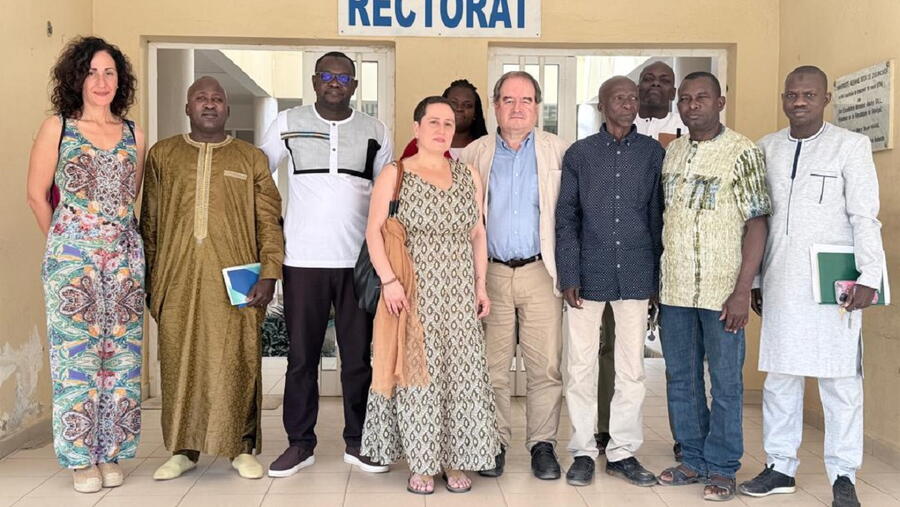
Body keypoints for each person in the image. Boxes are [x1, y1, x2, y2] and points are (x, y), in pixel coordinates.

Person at [738, 66, 885, 507]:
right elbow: (759, 221)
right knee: (781, 376)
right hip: (781, 280)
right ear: (783, 99)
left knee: (840, 380)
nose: (799, 102)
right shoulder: (767, 148)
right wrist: (758, 278)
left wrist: (870, 277)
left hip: (834, 281)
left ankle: (844, 475)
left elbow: (865, 217)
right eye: (792, 95)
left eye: (809, 95)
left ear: (825, 100)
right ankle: (780, 466)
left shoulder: (851, 147)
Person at [140, 76, 285, 481]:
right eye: (200, 98)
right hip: (176, 277)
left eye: (217, 99)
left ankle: (240, 447)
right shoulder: (163, 155)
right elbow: (148, 222)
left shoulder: (249, 157)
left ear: (227, 108)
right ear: (187, 108)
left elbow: (268, 220)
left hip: (238, 278)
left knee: (236, 359)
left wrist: (270, 273)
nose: (209, 104)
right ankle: (182, 449)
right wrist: (151, 280)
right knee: (178, 362)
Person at [259, 51, 393, 477]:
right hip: (302, 259)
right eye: (327, 75)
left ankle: (359, 441)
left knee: (357, 359)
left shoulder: (375, 130)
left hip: (358, 262)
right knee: (302, 358)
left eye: (344, 76)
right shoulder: (287, 123)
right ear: (314, 81)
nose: (335, 82)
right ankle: (301, 444)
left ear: (355, 85)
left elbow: (386, 196)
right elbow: (257, 176)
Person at [361, 96, 499, 495]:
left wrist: (480, 285)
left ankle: (456, 459)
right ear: (417, 127)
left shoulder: (467, 175)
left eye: (449, 124)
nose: (442, 130)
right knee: (419, 375)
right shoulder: (396, 173)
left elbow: (477, 234)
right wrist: (388, 281)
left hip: (458, 294)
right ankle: (422, 463)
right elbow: (374, 232)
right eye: (434, 122)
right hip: (413, 293)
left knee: (461, 376)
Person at [26, 36, 145, 493]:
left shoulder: (135, 135)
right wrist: (66, 246)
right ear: (76, 77)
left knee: (121, 358)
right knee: (77, 358)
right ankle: (81, 458)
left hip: (124, 261)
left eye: (110, 72)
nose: (101, 81)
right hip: (72, 258)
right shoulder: (58, 126)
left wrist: (115, 247)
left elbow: (128, 199)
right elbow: (37, 196)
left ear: (121, 81)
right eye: (93, 72)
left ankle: (112, 452)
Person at [655, 72, 771, 502]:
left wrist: (744, 289)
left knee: (725, 382)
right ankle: (694, 458)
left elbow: (757, 223)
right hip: (675, 288)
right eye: (685, 99)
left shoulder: (743, 152)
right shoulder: (672, 152)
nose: (692, 105)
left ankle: (722, 466)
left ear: (721, 101)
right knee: (680, 378)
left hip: (724, 291)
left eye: (702, 97)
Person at [459, 71, 570, 480]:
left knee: (546, 367)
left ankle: (542, 445)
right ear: (495, 105)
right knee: (492, 367)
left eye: (525, 100)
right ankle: (494, 442)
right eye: (508, 100)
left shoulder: (559, 151)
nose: (517, 107)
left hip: (542, 271)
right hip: (489, 274)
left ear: (538, 107)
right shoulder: (474, 153)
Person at [556, 76, 664, 487]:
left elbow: (657, 215)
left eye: (633, 98)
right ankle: (583, 450)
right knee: (581, 366)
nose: (629, 103)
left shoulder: (652, 153)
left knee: (632, 369)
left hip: (636, 271)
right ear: (602, 105)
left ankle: (622, 451)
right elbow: (566, 216)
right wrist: (569, 273)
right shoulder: (580, 154)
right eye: (619, 98)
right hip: (588, 271)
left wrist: (656, 274)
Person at [595, 61, 687, 461]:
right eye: (646, 80)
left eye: (663, 81)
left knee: (679, 352)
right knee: (611, 348)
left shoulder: (687, 135)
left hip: (676, 259)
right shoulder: (615, 137)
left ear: (673, 91)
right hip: (623, 261)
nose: (653, 87)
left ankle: (686, 435)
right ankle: (604, 429)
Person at [399, 79, 488, 159]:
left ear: (475, 113)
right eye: (453, 103)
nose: (459, 108)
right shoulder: (419, 145)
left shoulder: (485, 148)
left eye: (467, 105)